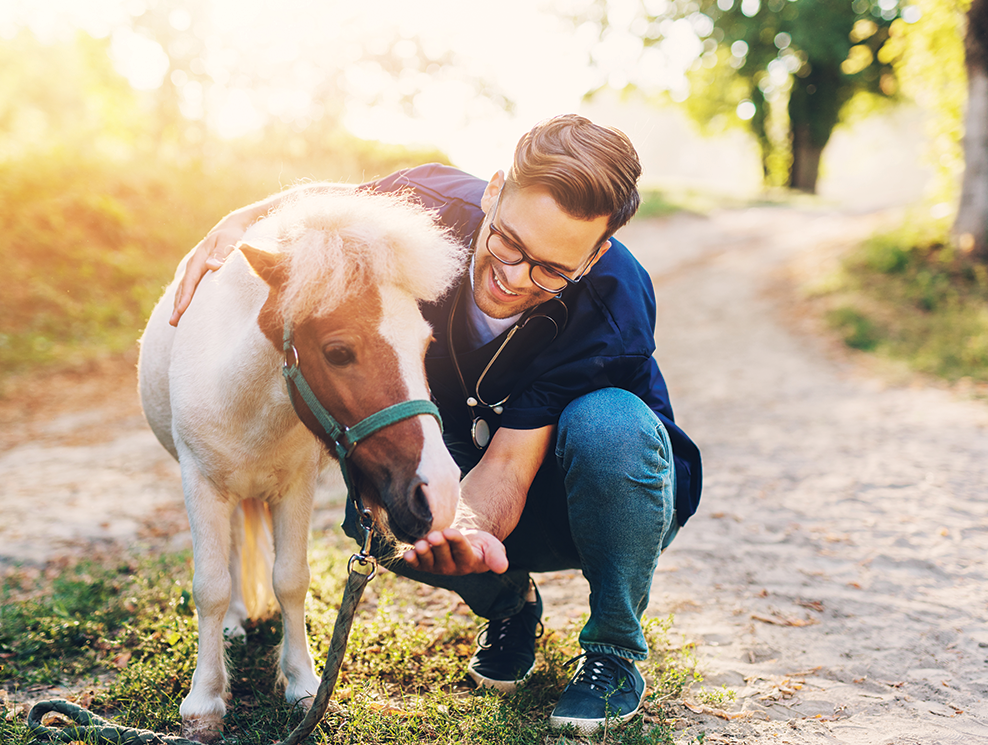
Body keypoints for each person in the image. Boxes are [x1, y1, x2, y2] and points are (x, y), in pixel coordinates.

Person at [170, 114, 702, 734]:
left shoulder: (615, 300)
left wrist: (471, 525)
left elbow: (507, 468)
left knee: (609, 424)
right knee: (379, 506)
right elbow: (324, 207)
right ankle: (509, 607)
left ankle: (614, 649)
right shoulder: (423, 207)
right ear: (494, 191)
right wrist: (239, 223)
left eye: (551, 271)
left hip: (602, 496)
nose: (513, 278)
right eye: (509, 244)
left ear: (595, 255)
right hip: (469, 460)